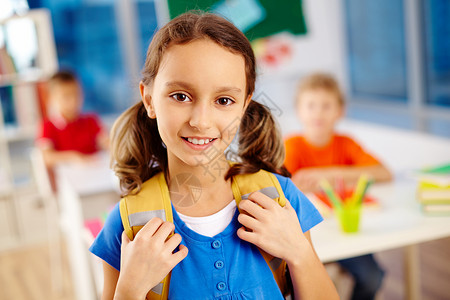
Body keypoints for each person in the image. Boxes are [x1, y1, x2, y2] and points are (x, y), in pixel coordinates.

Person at [90, 12, 339, 300]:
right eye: (181, 96)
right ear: (149, 99)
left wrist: (300, 254)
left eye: (224, 100)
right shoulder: (127, 224)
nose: (201, 121)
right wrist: (130, 290)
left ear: (244, 106)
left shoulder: (281, 199)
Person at [284, 73, 392, 300]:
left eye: (326, 106)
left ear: (339, 111)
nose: (318, 113)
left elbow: (384, 173)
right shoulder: (291, 146)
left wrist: (331, 174)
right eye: (311, 105)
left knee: (373, 277)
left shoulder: (346, 143)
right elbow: (273, 186)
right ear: (299, 110)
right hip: (306, 236)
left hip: (345, 231)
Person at [36, 70, 109, 168]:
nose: (73, 100)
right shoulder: (48, 126)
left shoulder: (91, 120)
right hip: (70, 178)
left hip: (95, 172)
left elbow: (106, 142)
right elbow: (47, 157)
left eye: (76, 94)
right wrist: (73, 157)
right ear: (51, 98)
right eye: (66, 96)